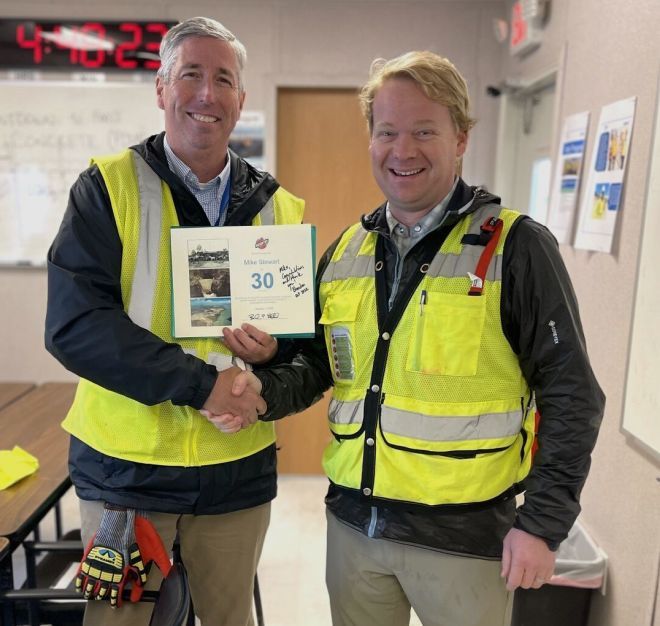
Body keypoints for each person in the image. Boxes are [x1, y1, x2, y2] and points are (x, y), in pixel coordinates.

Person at [238, 51, 605, 626]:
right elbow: (319, 366)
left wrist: (542, 525)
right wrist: (260, 390)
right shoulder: (345, 252)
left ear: (461, 137)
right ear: (370, 139)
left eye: (424, 131)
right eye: (387, 131)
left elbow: (573, 394)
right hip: (355, 530)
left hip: (464, 540)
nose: (402, 150)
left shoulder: (517, 248)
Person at [45, 17, 304, 626]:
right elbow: (76, 325)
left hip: (235, 475)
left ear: (241, 99)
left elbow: (304, 345)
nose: (207, 94)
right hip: (126, 477)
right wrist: (202, 384)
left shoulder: (281, 207)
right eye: (190, 74)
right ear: (161, 88)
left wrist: (269, 360)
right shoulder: (107, 188)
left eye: (224, 79)